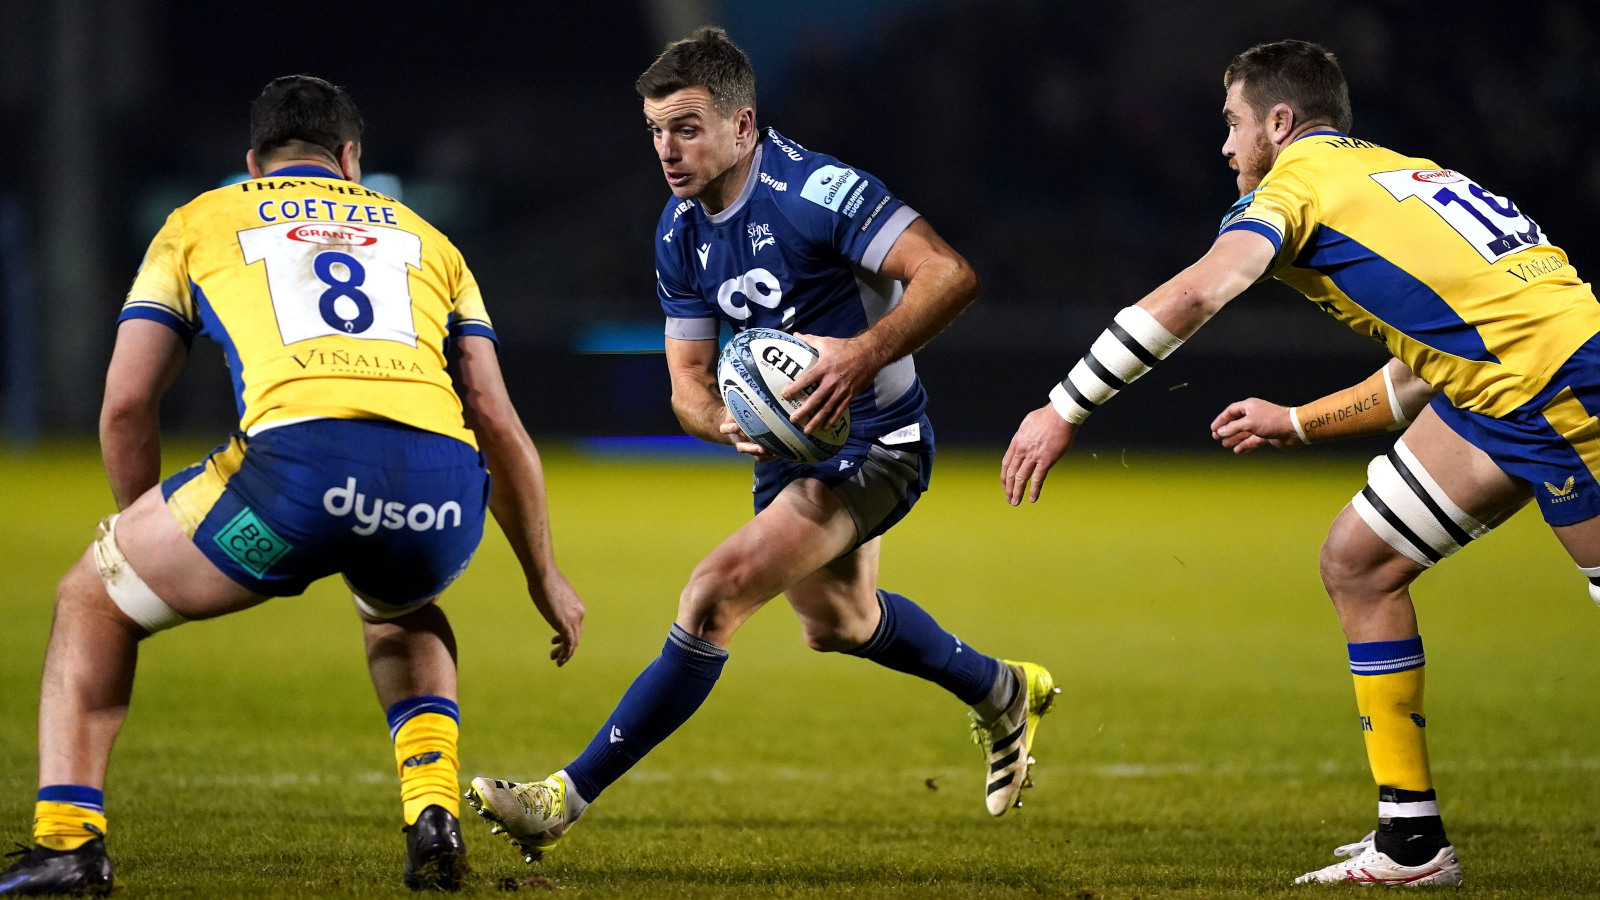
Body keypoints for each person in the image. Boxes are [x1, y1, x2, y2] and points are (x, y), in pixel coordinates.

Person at [1002, 39, 1600, 887]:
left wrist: (1063, 407)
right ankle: (1410, 845)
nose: (1225, 145)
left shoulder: (1298, 186)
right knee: (1358, 564)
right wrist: (1297, 421)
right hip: (1503, 387)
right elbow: (1420, 373)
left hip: (1568, 391)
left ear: (1279, 123)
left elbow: (1198, 292)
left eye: (1233, 123)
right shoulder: (1396, 174)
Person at [465, 27, 1057, 863]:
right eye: (657, 132)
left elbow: (949, 274)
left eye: (688, 127)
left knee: (714, 593)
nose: (668, 150)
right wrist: (722, 422)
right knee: (840, 624)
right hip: (790, 454)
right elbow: (687, 383)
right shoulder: (678, 229)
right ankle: (1001, 689)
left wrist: (859, 357)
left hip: (878, 442)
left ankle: (561, 798)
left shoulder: (819, 191)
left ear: (743, 127)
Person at [0, 75, 585, 896]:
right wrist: (545, 577)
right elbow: (496, 416)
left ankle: (68, 843)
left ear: (254, 162)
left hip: (295, 482)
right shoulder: (428, 237)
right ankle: (431, 813)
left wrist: (136, 536)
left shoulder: (200, 219)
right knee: (399, 607)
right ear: (351, 159)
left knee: (91, 601)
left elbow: (128, 404)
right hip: (443, 496)